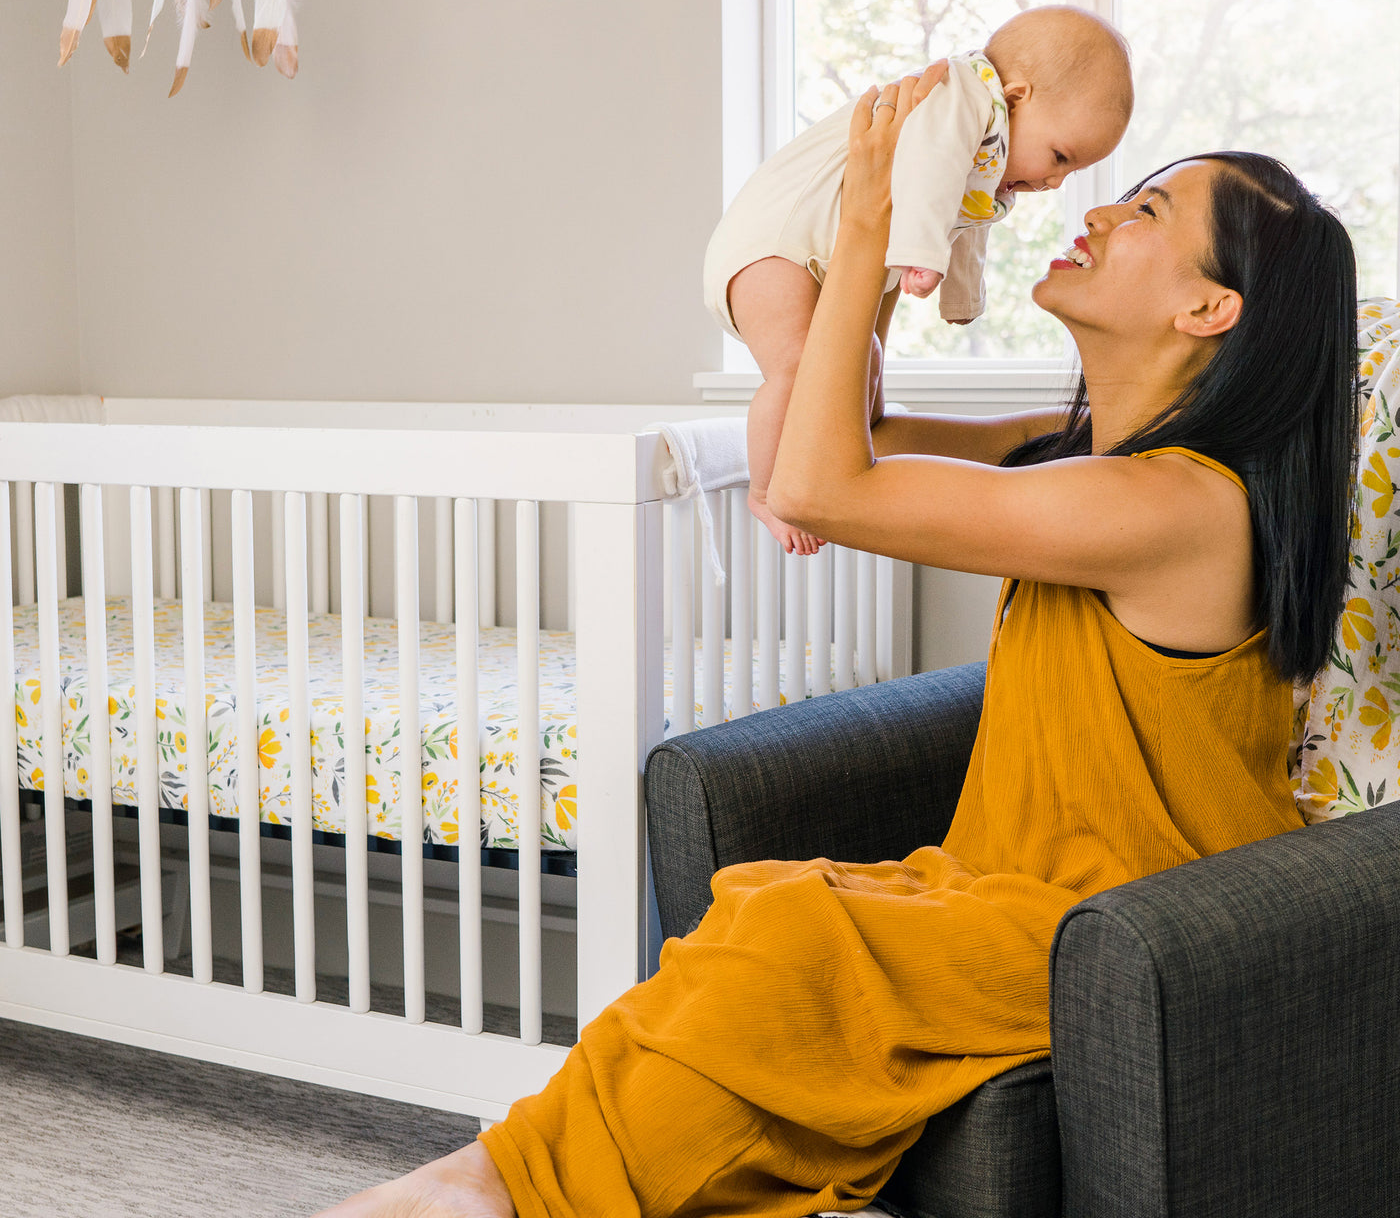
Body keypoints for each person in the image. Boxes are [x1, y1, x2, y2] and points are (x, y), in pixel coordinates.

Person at [317, 63, 1358, 1218]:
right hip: (1003, 886)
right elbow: (825, 431)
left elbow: (815, 487)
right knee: (766, 907)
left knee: (794, 930)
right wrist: (872, 236)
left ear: (1208, 309)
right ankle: (492, 1181)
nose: (1097, 210)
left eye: (1148, 211)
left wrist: (872, 220)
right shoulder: (1067, 458)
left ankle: (499, 1188)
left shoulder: (1179, 506)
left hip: (1126, 929)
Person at [705, 6, 1133, 554]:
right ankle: (765, 491)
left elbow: (966, 222)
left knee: (866, 363)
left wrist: (962, 298)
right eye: (1059, 156)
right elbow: (931, 171)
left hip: (818, 254)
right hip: (774, 246)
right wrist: (920, 255)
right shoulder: (960, 93)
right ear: (1017, 96)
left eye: (1070, 172)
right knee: (796, 371)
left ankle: (799, 466)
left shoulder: (984, 151)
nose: (1053, 181)